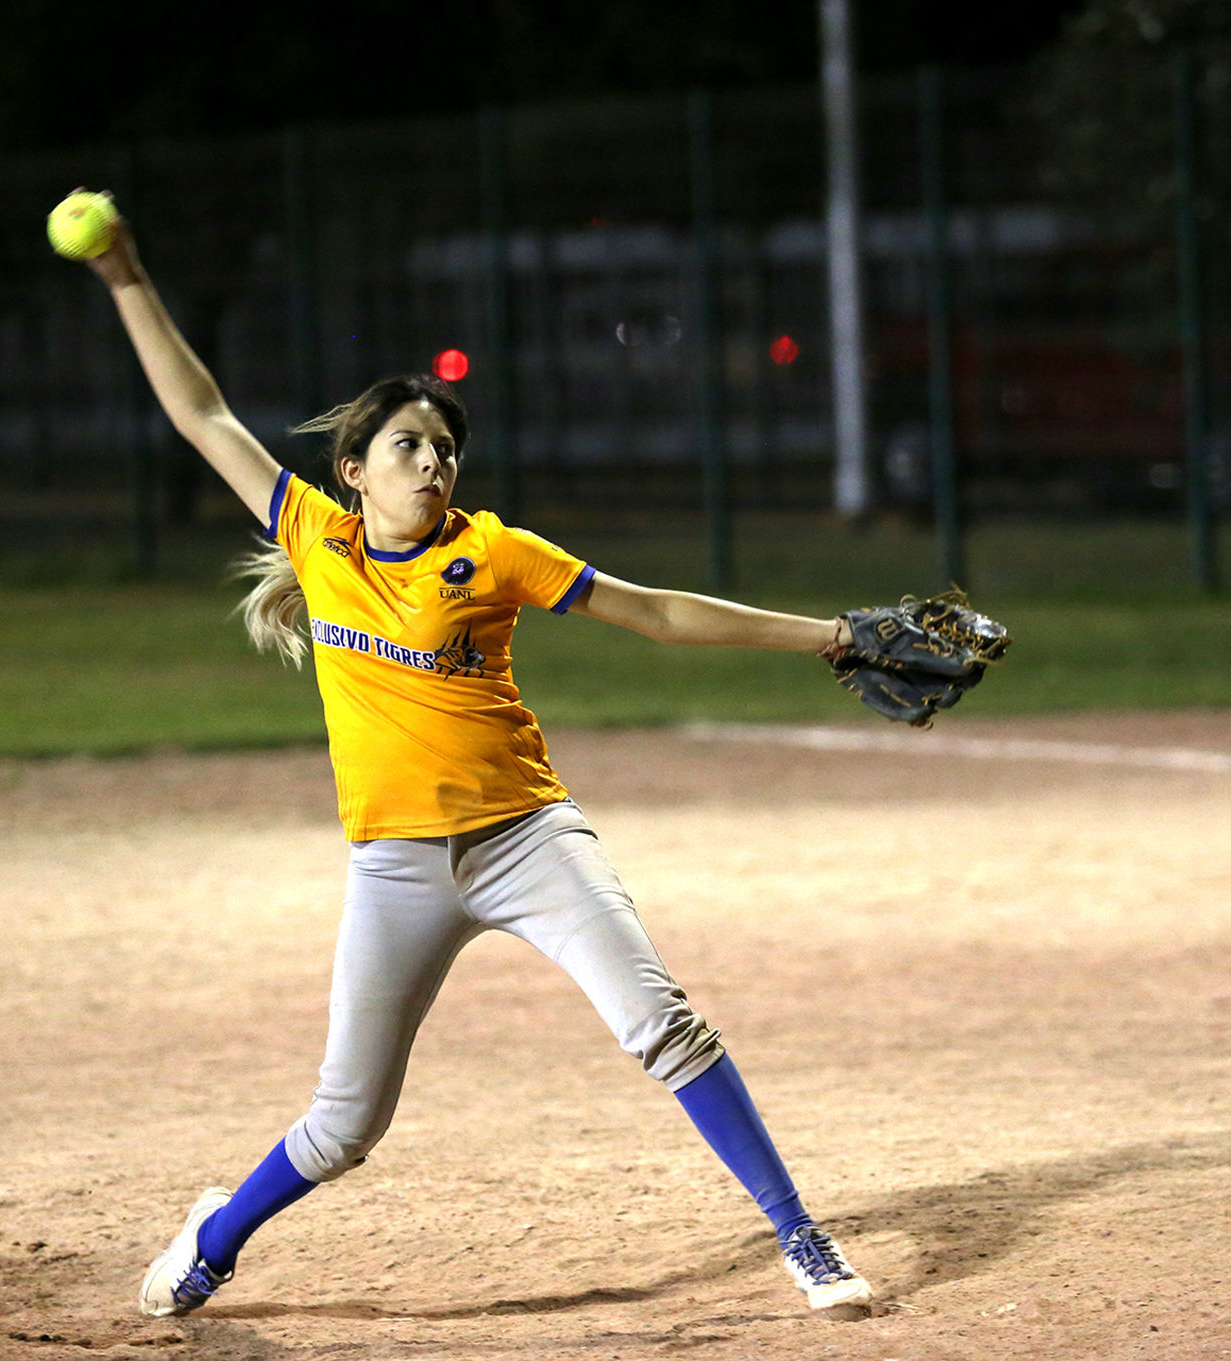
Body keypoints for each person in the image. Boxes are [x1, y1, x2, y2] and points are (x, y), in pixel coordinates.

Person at [71, 205, 875, 1318]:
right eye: (408, 442)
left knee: (662, 1022)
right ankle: (217, 1234)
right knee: (345, 1122)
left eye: (444, 444)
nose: (432, 458)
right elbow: (199, 409)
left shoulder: (490, 549)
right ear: (354, 468)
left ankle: (803, 1234)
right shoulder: (316, 536)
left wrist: (830, 632)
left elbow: (656, 613)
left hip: (526, 837)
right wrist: (124, 275)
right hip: (395, 867)